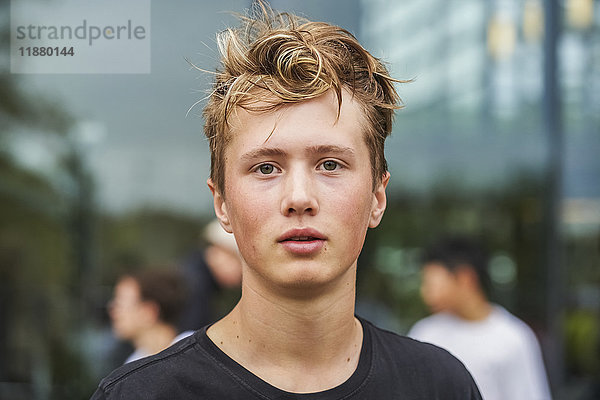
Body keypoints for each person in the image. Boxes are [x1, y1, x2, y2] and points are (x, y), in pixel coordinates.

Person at [91, 2, 482, 398]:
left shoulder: (440, 386)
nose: (299, 198)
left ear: (377, 196)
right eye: (265, 168)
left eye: (330, 164)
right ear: (222, 203)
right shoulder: (144, 395)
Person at [408, 236, 552, 400]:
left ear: (465, 278)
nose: (425, 293)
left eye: (431, 283)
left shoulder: (512, 337)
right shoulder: (425, 332)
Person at [108, 268, 193, 364]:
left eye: (120, 303)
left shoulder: (194, 350)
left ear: (148, 311)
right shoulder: (132, 363)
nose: (112, 311)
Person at [178, 219, 243, 331]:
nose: (242, 275)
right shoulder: (195, 287)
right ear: (220, 252)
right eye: (239, 263)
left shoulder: (194, 278)